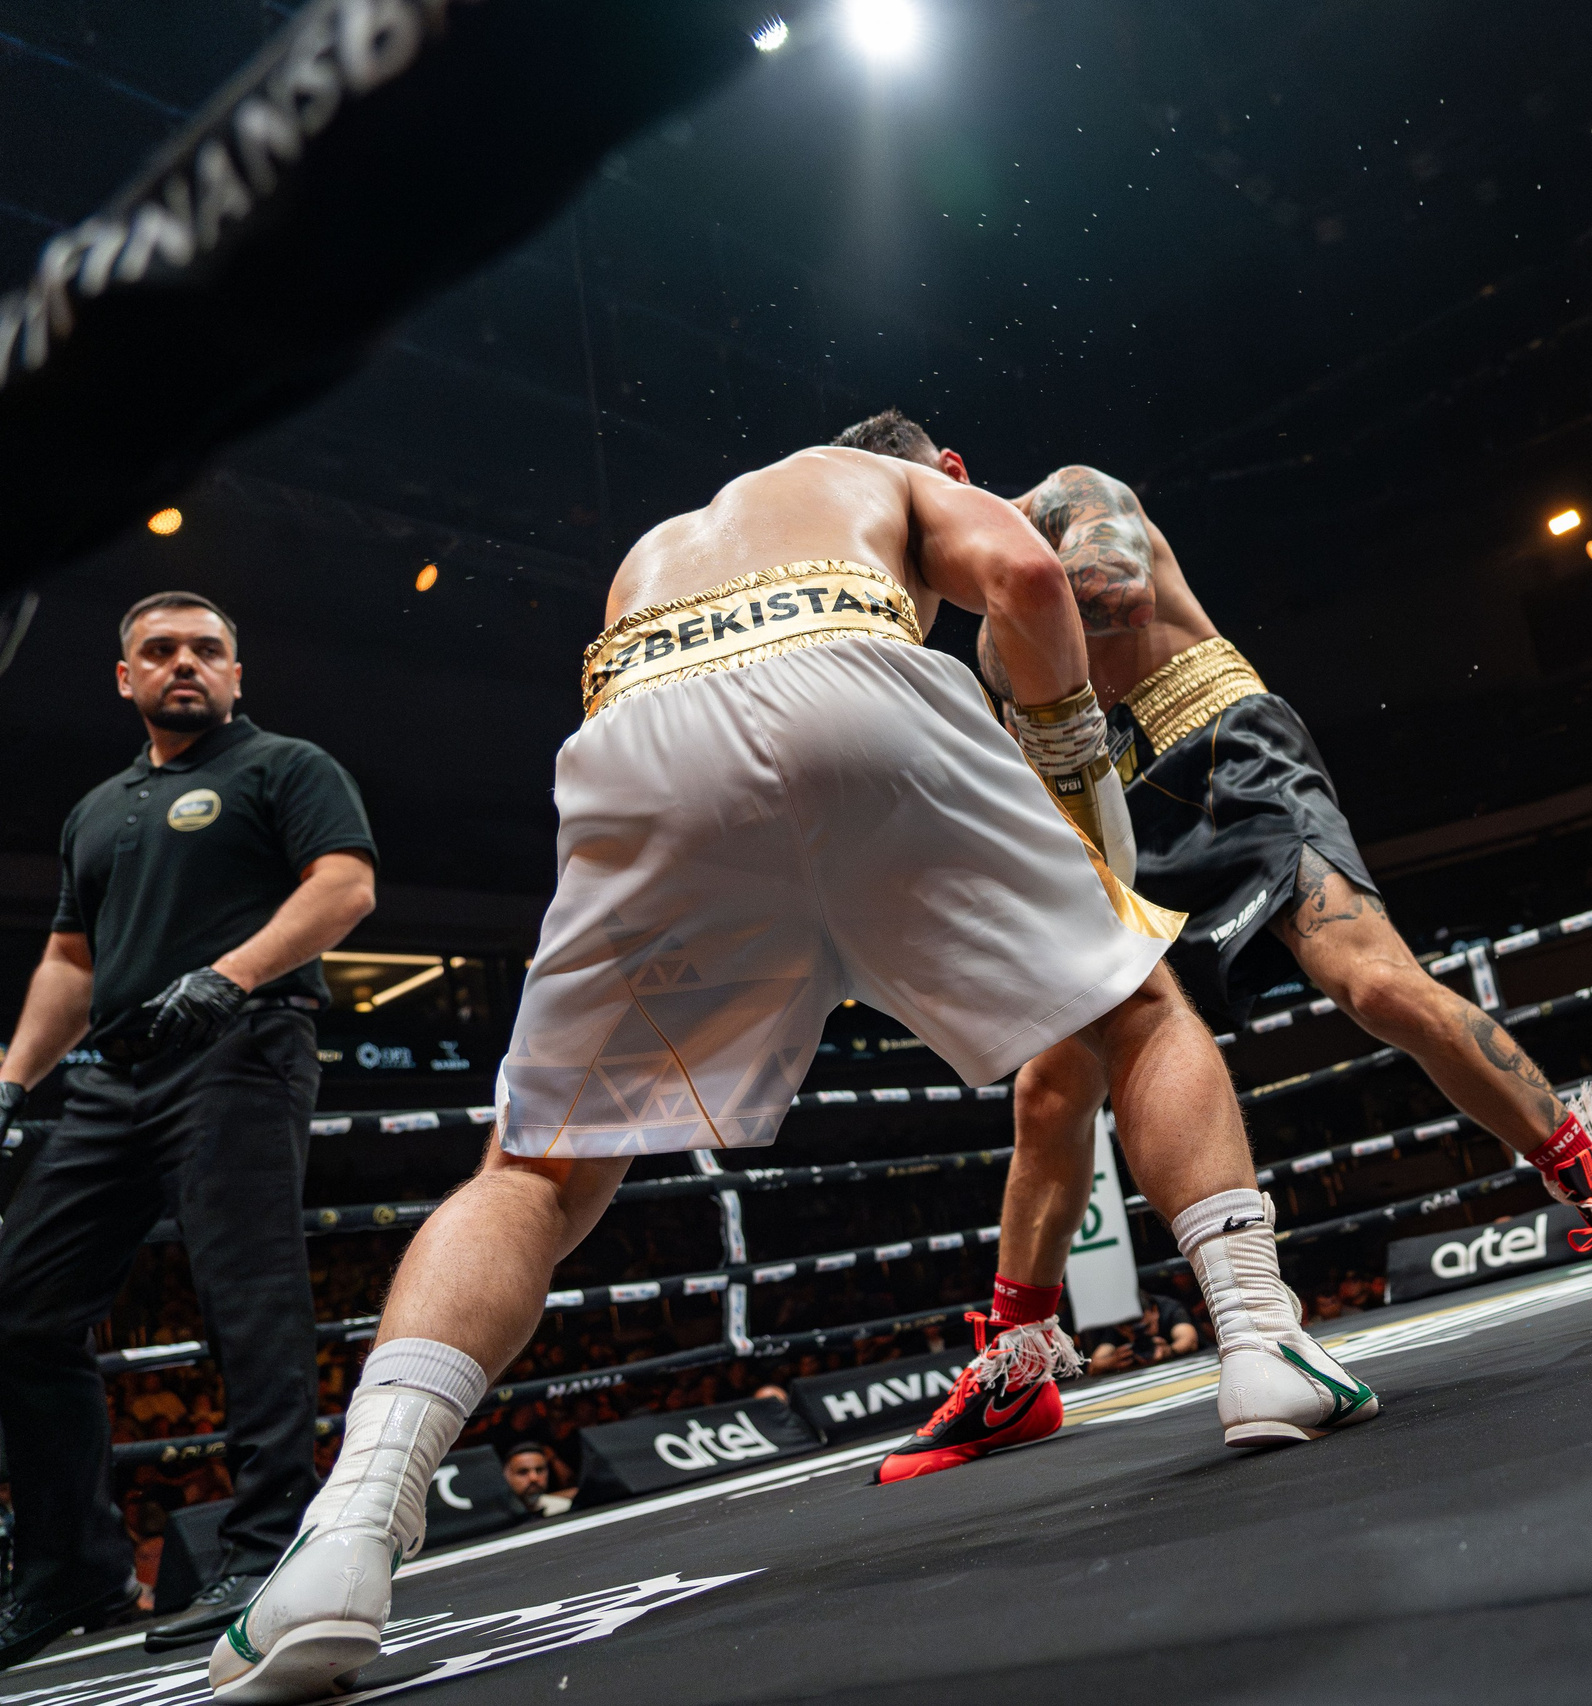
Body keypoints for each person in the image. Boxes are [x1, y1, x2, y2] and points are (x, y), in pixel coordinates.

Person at [208, 436, 1375, 1703]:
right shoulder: (894, 481)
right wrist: (1071, 756)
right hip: (849, 685)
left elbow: (704, 742)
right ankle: (1261, 1342)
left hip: (641, 737)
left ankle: (344, 1539)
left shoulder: (665, 543)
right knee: (1136, 1002)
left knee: (537, 1163)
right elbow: (1033, 576)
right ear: (941, 459)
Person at [848, 408, 1592, 1482]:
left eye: (916, 524)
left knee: (1373, 984)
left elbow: (1107, 587)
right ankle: (1016, 1368)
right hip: (1114, 817)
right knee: (1051, 1080)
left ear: (952, 480)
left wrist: (1002, 581)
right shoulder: (979, 648)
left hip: (1228, 756)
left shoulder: (1067, 498)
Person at [0, 593, 377, 1671]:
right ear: (124, 677)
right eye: (160, 651)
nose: (184, 664)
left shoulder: (284, 766)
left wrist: (228, 976)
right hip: (116, 1071)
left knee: (247, 1296)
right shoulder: (99, 808)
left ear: (236, 673)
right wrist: (12, 1077)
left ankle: (269, 1548)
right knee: (21, 1306)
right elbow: (70, 959)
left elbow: (345, 887)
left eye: (206, 650)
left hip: (242, 1045)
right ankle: (70, 1565)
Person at [499, 1443, 571, 1519]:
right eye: (523, 1472)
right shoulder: (496, 1519)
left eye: (539, 1470)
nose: (534, 1478)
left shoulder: (564, 1508)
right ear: (506, 1476)